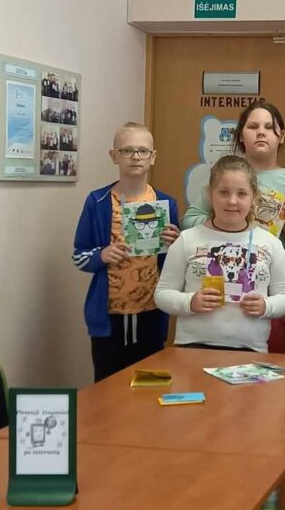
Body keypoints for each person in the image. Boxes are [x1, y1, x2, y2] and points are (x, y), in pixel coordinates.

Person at [182, 101, 285, 353]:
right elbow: (189, 221)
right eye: (253, 126)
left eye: (269, 127)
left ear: (281, 135)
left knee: (267, 365)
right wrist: (220, 221)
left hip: (273, 289)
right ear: (241, 135)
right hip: (220, 283)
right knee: (217, 361)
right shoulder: (224, 178)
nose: (261, 132)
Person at [72, 122, 180, 382]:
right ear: (114, 156)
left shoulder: (166, 204)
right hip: (109, 318)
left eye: (143, 151)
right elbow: (79, 255)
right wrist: (101, 255)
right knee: (107, 385)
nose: (135, 157)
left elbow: (176, 262)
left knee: (150, 385)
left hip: (151, 313)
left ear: (153, 157)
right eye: (127, 150)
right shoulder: (97, 202)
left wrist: (176, 243)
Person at [155, 155, 285, 351]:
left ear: (254, 197)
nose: (232, 201)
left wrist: (266, 306)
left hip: (250, 350)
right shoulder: (187, 239)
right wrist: (190, 302)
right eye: (223, 192)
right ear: (210, 194)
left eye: (242, 194)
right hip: (192, 348)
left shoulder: (271, 243)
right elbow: (162, 294)